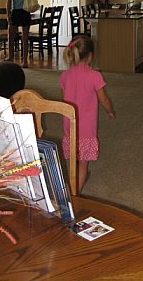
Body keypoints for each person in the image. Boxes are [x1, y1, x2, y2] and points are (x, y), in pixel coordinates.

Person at [60, 35, 115, 192]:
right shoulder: (94, 76)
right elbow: (103, 99)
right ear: (90, 56)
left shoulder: (65, 75)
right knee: (83, 162)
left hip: (69, 125)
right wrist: (110, 111)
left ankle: (73, 180)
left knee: (73, 158)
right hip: (86, 128)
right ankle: (74, 194)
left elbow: (63, 99)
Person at [6, 0, 34, 68]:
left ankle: (11, 56)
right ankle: (25, 61)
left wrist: (8, 15)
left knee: (11, 36)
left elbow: (9, 2)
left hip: (15, 13)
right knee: (25, 38)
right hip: (25, 13)